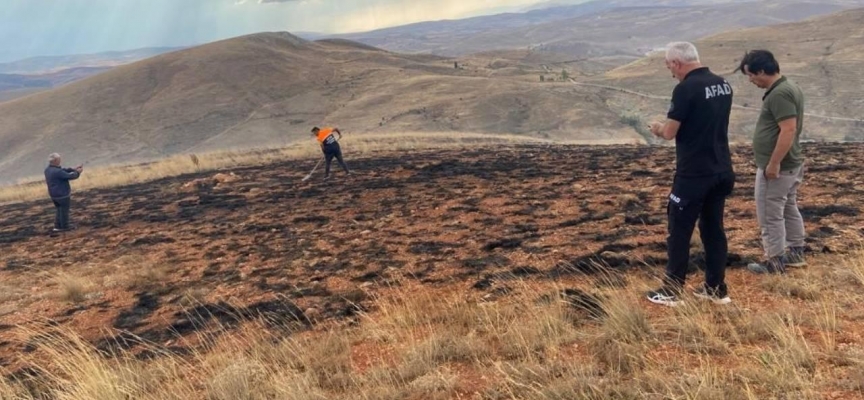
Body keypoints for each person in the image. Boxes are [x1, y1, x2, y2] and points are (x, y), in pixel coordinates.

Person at [645, 42, 736, 306]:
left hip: (693, 173)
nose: (669, 70)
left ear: (676, 63)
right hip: (721, 168)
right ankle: (716, 288)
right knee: (713, 229)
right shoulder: (722, 84)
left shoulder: (685, 89)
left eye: (668, 65)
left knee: (679, 231)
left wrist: (657, 128)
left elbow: (670, 133)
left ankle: (671, 291)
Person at [737, 50, 807, 274]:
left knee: (769, 213)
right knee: (788, 207)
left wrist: (774, 163)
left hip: (779, 167)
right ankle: (796, 252)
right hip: (791, 163)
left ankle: (775, 262)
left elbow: (788, 129)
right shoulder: (788, 87)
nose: (750, 80)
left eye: (751, 75)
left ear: (761, 71)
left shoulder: (779, 94)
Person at [44, 153, 83, 232]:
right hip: (62, 194)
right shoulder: (57, 172)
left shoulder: (48, 170)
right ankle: (65, 226)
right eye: (59, 159)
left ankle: (57, 226)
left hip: (54, 195)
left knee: (59, 210)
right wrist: (78, 172)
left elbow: (62, 171)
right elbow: (70, 176)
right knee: (64, 211)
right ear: (55, 161)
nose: (60, 160)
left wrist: (73, 169)